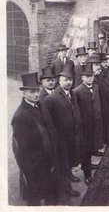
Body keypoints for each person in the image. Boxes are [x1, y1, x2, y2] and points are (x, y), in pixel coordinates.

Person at [11, 72, 59, 205]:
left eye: (37, 90)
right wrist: (32, 171)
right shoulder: (20, 116)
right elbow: (21, 150)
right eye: (32, 92)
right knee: (35, 198)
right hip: (35, 167)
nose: (36, 94)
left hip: (48, 160)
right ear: (24, 93)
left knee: (51, 195)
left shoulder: (39, 104)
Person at [45, 70, 82, 199]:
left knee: (71, 159)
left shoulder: (73, 93)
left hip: (72, 135)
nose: (68, 82)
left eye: (70, 79)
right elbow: (49, 123)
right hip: (61, 139)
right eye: (65, 80)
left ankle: (70, 175)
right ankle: (67, 190)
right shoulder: (52, 98)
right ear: (59, 81)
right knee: (63, 164)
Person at [73, 63, 102, 185]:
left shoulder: (95, 87)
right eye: (87, 76)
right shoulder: (77, 91)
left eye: (91, 76)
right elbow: (76, 111)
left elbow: (97, 103)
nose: (89, 78)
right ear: (82, 77)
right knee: (85, 150)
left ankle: (89, 165)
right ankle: (87, 175)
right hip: (85, 126)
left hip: (95, 123)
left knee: (91, 146)